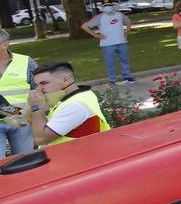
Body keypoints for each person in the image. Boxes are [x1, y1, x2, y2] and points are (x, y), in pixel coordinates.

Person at [26, 61, 109, 146]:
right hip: (75, 154)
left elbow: (41, 139)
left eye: (44, 83)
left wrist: (36, 107)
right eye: (37, 85)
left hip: (73, 156)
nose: (38, 89)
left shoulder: (75, 105)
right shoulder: (80, 95)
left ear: (66, 80)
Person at [0, 29, 37, 157]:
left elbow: (39, 89)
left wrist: (36, 114)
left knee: (24, 162)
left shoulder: (27, 62)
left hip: (22, 122)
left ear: (5, 45)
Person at [82, 2, 135, 84]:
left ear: (113, 6)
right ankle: (112, 79)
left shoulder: (119, 15)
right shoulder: (99, 17)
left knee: (125, 60)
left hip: (121, 41)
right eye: (105, 5)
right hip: (107, 44)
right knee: (110, 62)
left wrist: (126, 31)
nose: (108, 7)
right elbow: (84, 26)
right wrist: (95, 35)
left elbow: (128, 22)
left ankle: (127, 77)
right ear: (102, 7)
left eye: (109, 5)